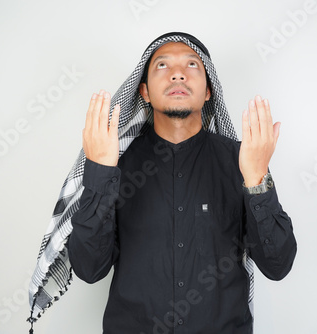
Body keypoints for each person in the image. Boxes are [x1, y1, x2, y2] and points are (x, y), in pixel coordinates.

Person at [28, 32, 297, 334]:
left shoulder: (241, 161)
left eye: (192, 65)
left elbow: (278, 265)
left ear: (209, 91)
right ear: (143, 91)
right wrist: (101, 173)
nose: (178, 74)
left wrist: (257, 179)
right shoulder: (117, 163)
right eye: (162, 66)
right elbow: (90, 269)